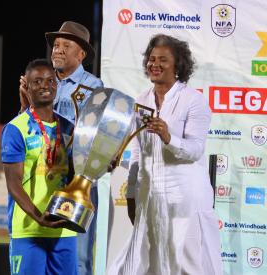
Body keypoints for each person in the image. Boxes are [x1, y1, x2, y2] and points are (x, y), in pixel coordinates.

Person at [112, 34, 223, 275]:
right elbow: (139, 153)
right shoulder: (141, 101)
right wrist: (132, 195)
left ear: (178, 66)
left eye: (163, 60)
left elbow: (195, 150)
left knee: (188, 263)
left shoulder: (194, 101)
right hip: (150, 197)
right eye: (151, 59)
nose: (155, 64)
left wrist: (168, 136)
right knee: (149, 263)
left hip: (186, 197)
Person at [19, 21, 104, 275]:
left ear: (82, 54)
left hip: (75, 182)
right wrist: (25, 103)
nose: (57, 50)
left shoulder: (93, 86)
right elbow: (27, 127)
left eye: (66, 45)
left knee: (78, 258)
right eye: (56, 45)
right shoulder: (41, 83)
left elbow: (96, 135)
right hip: (41, 180)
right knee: (40, 252)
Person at [2, 58, 77, 275]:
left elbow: (76, 174)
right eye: (37, 82)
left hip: (64, 230)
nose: (45, 85)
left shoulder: (70, 128)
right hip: (28, 229)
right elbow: (13, 183)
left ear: (57, 85)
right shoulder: (16, 128)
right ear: (27, 86)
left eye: (50, 81)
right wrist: (38, 216)